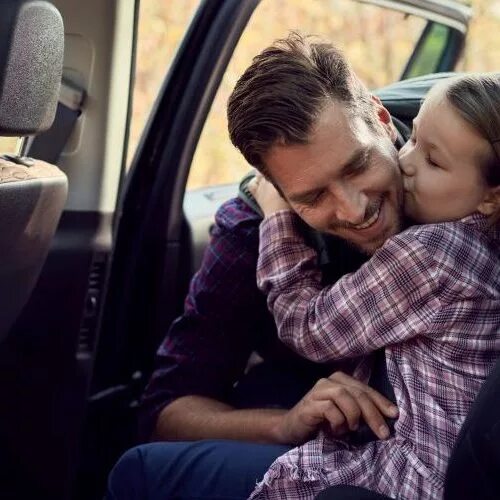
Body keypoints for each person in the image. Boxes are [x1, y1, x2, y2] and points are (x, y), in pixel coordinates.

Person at [107, 33, 424, 499]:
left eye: (358, 166)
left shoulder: (460, 167)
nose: (355, 210)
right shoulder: (254, 231)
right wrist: (288, 422)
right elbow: (166, 411)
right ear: (272, 190)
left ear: (380, 119)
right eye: (313, 197)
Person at [246, 72, 500, 499]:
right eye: (414, 137)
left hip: (416, 475)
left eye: (434, 161)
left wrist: (276, 218)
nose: (406, 162)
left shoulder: (430, 253)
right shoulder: (479, 245)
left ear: (491, 197)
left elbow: (310, 329)